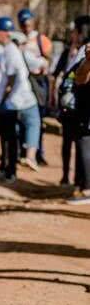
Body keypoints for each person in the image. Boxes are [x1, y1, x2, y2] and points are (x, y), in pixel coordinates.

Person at [52, 20, 84, 185]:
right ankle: (65, 175)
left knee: (81, 143)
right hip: (67, 104)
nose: (73, 35)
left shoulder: (84, 53)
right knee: (66, 142)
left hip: (80, 104)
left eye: (75, 32)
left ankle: (80, 179)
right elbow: (58, 73)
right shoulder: (67, 53)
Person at [17, 8, 50, 165]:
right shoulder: (18, 39)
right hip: (24, 83)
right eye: (23, 23)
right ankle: (24, 151)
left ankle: (39, 153)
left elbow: (48, 60)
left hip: (38, 82)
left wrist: (41, 67)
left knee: (38, 118)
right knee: (26, 119)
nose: (26, 25)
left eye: (28, 22)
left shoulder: (41, 39)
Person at [0, 17, 19, 183]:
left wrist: (5, 98)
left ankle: (11, 171)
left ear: (6, 32)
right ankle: (3, 166)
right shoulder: (1, 50)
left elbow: (12, 77)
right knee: (2, 136)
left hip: (8, 103)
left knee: (10, 138)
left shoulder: (11, 50)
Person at [67, 17, 90, 205]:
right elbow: (79, 78)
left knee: (84, 144)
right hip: (84, 108)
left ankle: (87, 189)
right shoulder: (85, 51)